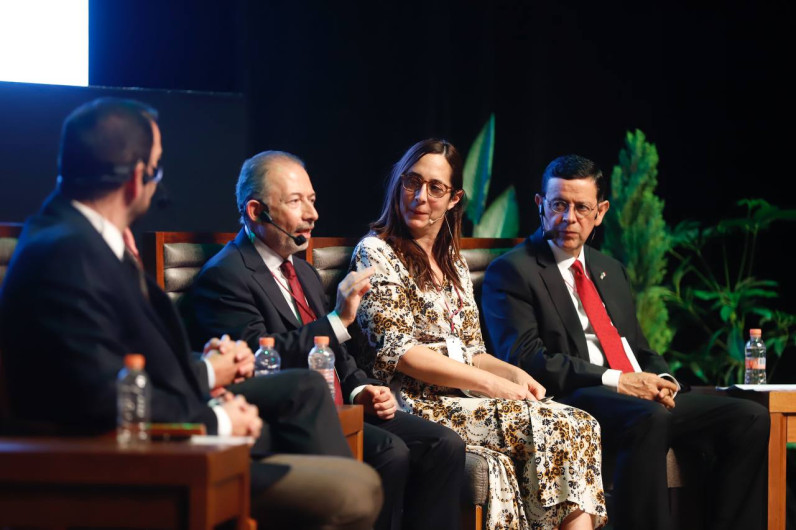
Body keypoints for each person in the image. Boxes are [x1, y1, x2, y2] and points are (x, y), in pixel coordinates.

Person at [0, 98, 381, 530]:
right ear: (136, 180)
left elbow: (124, 353)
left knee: (303, 389)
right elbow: (97, 399)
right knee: (356, 489)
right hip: (137, 464)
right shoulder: (66, 254)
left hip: (174, 413)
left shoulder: (81, 236)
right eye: (158, 170)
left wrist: (207, 369)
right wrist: (217, 419)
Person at [481, 154, 770, 530]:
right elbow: (526, 358)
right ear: (540, 205)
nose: (569, 218)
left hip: (635, 395)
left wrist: (665, 382)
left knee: (748, 418)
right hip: (572, 399)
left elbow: (639, 348)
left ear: (600, 212)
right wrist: (619, 381)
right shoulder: (512, 270)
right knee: (646, 417)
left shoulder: (610, 269)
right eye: (558, 205)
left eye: (581, 207)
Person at [190, 150, 466, 530]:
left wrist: (361, 391)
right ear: (256, 212)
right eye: (295, 202)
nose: (312, 214)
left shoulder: (302, 271)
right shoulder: (225, 278)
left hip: (342, 406)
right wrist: (337, 318)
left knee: (444, 445)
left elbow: (339, 355)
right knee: (391, 452)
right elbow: (259, 360)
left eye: (312, 200)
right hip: (289, 416)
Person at [351, 139, 607, 530]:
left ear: (454, 199)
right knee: (562, 426)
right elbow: (400, 353)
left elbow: (471, 349)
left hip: (461, 398)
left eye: (436, 188)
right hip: (413, 402)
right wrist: (491, 385)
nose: (421, 197)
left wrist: (514, 376)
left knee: (583, 423)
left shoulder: (451, 259)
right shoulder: (376, 252)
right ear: (398, 184)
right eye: (412, 182)